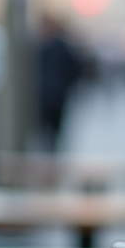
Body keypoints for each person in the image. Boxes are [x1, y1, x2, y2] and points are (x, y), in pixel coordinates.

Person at [37, 15, 83, 150]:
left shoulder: (46, 47)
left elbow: (73, 70)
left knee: (52, 127)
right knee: (51, 128)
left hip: (52, 93)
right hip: (51, 93)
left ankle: (51, 149)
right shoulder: (51, 46)